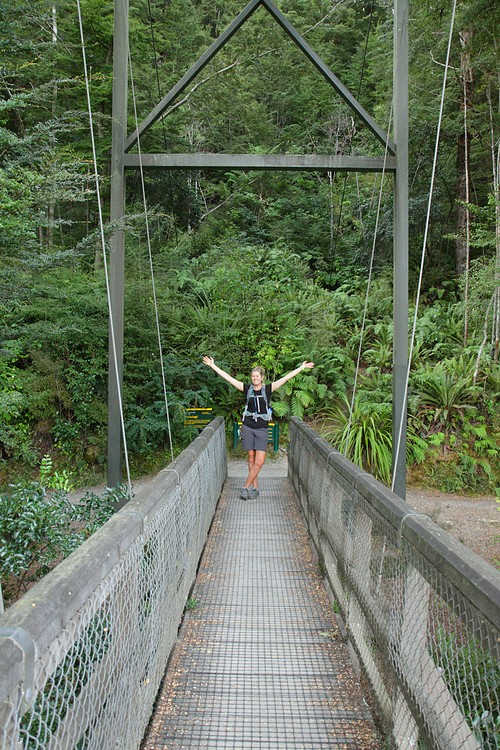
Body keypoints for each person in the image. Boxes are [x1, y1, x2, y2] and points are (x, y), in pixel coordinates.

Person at [203, 356, 314, 500]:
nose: (255, 378)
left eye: (257, 376)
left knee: (260, 461)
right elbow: (229, 379)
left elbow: (285, 378)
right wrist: (213, 365)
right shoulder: (247, 389)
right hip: (248, 427)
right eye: (253, 376)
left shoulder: (268, 389)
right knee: (250, 458)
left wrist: (301, 368)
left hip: (261, 429)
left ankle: (245, 487)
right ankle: (255, 489)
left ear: (261, 378)